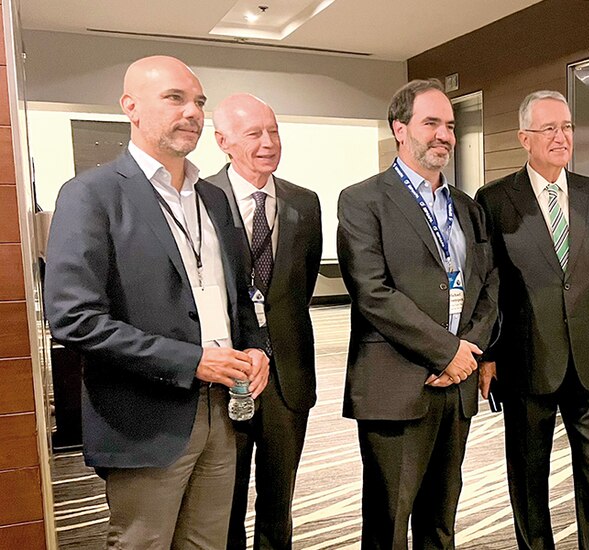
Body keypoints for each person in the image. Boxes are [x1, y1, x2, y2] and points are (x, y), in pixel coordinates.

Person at [43, 55, 269, 548]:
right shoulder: (91, 194)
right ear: (131, 107)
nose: (192, 112)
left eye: (199, 102)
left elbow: (238, 297)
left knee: (208, 541)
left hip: (224, 409)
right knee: (143, 542)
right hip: (146, 419)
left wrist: (256, 347)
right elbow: (74, 318)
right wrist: (191, 361)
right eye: (174, 98)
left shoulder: (213, 198)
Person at [337, 78, 499, 549]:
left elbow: (488, 283)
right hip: (396, 383)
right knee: (388, 523)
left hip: (458, 382)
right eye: (431, 123)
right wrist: (447, 352)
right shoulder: (363, 200)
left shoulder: (467, 207)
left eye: (449, 125)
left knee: (440, 521)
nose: (444, 135)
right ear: (400, 129)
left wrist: (469, 351)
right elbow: (372, 292)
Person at [475, 90, 589, 550]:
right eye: (549, 128)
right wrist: (488, 355)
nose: (561, 137)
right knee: (528, 478)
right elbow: (489, 284)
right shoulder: (494, 199)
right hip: (525, 361)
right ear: (525, 138)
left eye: (567, 127)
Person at [208, 93, 323, 550]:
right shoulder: (202, 198)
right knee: (225, 499)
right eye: (254, 134)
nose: (268, 143)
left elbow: (300, 284)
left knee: (279, 499)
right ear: (223, 141)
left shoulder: (304, 202)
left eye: (273, 131)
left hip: (289, 373)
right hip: (227, 372)